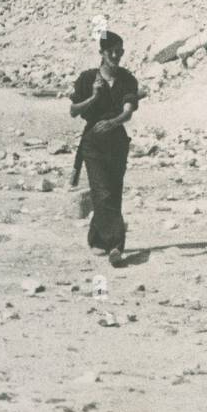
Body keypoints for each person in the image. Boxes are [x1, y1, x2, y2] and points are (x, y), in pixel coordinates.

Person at [70, 30, 139, 265]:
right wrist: (93, 96)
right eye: (112, 51)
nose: (117, 56)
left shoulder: (127, 79)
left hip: (117, 141)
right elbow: (73, 111)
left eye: (120, 51)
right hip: (92, 143)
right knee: (102, 191)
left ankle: (97, 238)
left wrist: (112, 123)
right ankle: (115, 246)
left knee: (113, 190)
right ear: (101, 53)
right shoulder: (87, 78)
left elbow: (128, 111)